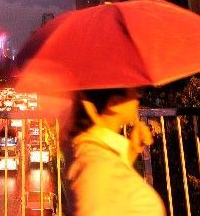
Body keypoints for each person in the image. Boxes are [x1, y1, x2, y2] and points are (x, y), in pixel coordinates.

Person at [66, 87, 166, 216]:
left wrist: (131, 152)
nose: (137, 98)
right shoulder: (97, 165)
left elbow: (115, 194)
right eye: (133, 91)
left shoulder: (98, 153)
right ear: (114, 104)